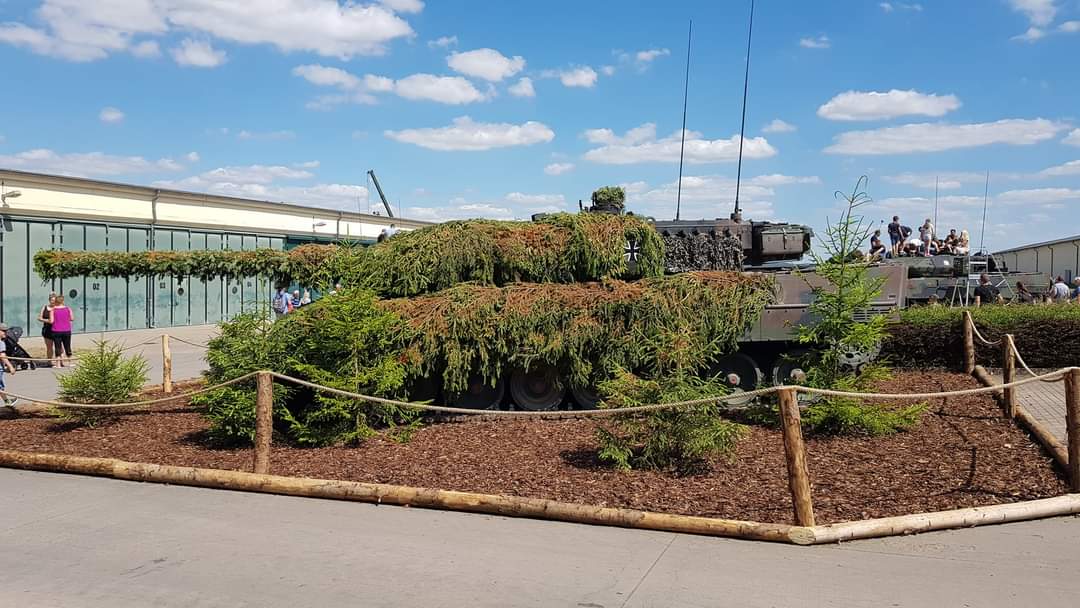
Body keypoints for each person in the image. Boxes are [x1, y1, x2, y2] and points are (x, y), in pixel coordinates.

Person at [48, 295, 74, 367]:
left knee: (57, 347)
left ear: (56, 301)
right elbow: (72, 318)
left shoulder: (53, 310)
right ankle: (70, 362)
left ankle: (58, 364)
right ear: (63, 301)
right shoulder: (68, 309)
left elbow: (51, 321)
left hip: (56, 330)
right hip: (66, 330)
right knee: (67, 346)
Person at [37, 292, 56, 368]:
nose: (53, 302)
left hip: (57, 329)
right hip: (47, 330)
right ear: (49, 300)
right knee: (49, 347)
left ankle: (60, 361)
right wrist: (47, 320)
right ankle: (49, 362)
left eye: (54, 300)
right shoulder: (44, 307)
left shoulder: (57, 308)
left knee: (59, 347)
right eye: (52, 300)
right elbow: (39, 318)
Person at [0, 323, 17, 406]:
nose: (5, 333)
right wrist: (10, 367)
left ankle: (7, 401)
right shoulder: (1, 343)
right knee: (0, 387)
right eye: (3, 331)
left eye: (6, 331)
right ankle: (7, 401)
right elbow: (3, 356)